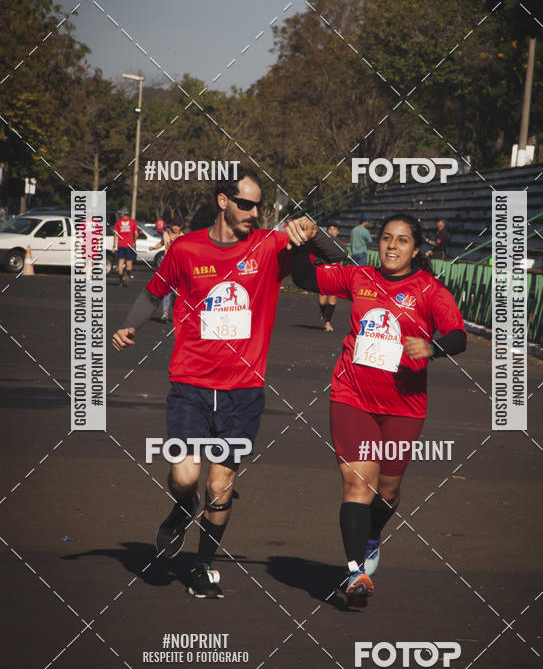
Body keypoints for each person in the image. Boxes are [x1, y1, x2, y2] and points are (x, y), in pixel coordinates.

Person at [112, 168, 343, 599]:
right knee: (184, 475)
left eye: (258, 205)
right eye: (245, 204)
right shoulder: (185, 248)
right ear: (223, 201)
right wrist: (129, 327)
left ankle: (202, 565)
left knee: (220, 485)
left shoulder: (269, 247)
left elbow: (336, 259)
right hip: (191, 384)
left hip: (243, 392)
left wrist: (310, 230)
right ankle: (183, 507)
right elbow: (153, 291)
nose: (254, 213)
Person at [291, 213, 466, 604]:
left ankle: (372, 533)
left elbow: (457, 335)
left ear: (415, 249)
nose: (392, 246)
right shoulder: (360, 277)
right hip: (351, 395)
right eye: (386, 238)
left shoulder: (428, 289)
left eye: (402, 241)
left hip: (403, 406)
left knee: (387, 490)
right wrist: (304, 243)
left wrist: (433, 348)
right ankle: (355, 574)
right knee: (358, 484)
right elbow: (305, 279)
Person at [150, 219, 185, 322]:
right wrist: (154, 248)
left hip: (179, 267)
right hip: (167, 266)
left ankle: (176, 312)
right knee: (167, 291)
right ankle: (165, 314)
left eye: (177, 225)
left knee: (177, 293)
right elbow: (161, 243)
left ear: (180, 227)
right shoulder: (166, 234)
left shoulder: (183, 236)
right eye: (174, 225)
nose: (175, 227)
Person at [317, 222, 347, 331]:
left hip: (335, 274)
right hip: (323, 273)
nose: (332, 231)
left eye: (335, 229)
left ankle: (328, 322)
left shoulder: (341, 244)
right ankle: (323, 310)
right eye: (330, 229)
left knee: (333, 296)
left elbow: (342, 261)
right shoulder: (321, 244)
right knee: (322, 300)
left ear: (338, 232)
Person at [113, 208, 138, 286]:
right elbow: (136, 234)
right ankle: (127, 275)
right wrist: (134, 242)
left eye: (121, 213)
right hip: (129, 245)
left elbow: (116, 235)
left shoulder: (118, 222)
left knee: (120, 263)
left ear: (123, 214)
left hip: (121, 245)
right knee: (129, 263)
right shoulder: (133, 222)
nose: (120, 214)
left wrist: (114, 246)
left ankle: (120, 280)